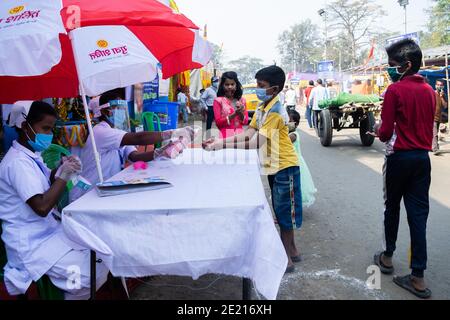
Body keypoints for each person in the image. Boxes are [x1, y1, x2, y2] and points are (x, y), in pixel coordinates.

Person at [0, 101, 110, 299]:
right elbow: (41, 206)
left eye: (51, 129)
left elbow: (41, 181)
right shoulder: (16, 163)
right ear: (25, 127)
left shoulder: (31, 155)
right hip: (31, 243)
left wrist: (59, 169)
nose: (49, 135)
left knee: (100, 257)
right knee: (89, 277)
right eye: (45, 128)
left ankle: (66, 289)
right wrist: (64, 176)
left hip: (48, 232)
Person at [203, 66, 302, 273]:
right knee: (280, 208)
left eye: (261, 86)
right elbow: (248, 132)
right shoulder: (263, 107)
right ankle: (292, 250)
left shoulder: (274, 111)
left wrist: (222, 145)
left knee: (284, 213)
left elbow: (257, 142)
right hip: (274, 165)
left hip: (285, 165)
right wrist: (221, 139)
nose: (257, 89)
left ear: (274, 89)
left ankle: (286, 259)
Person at [371, 39, 435, 299]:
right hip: (422, 159)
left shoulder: (394, 91)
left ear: (407, 65)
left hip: (399, 159)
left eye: (392, 66)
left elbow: (385, 133)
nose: (389, 70)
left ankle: (387, 258)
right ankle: (418, 277)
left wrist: (376, 130)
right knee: (418, 216)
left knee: (392, 207)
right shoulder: (430, 91)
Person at [71, 89, 197, 202]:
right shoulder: (100, 131)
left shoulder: (118, 133)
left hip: (104, 189)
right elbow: (139, 138)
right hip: (86, 194)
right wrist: (173, 133)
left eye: (123, 109)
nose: (122, 113)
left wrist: (160, 152)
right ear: (106, 112)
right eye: (118, 109)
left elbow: (134, 157)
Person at [288, 110, 316, 207]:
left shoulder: (293, 135)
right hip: (289, 162)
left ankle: (293, 208)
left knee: (295, 186)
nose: (286, 123)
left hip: (295, 163)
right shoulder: (288, 133)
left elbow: (284, 142)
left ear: (295, 124)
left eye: (289, 121)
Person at [213, 71, 249, 138]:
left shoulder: (242, 100)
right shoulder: (218, 101)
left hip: (240, 136)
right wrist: (234, 114)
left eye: (232, 84)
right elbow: (218, 123)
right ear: (222, 86)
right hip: (225, 137)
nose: (230, 87)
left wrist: (240, 113)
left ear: (236, 85)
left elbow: (245, 122)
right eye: (227, 84)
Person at [432, 79, 448, 153]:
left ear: (443, 86)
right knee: (434, 133)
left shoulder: (443, 95)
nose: (439, 86)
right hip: (432, 117)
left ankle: (434, 146)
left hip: (439, 117)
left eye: (440, 85)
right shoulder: (432, 93)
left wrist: (441, 97)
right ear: (435, 85)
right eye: (438, 85)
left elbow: (445, 106)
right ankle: (435, 149)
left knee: (436, 133)